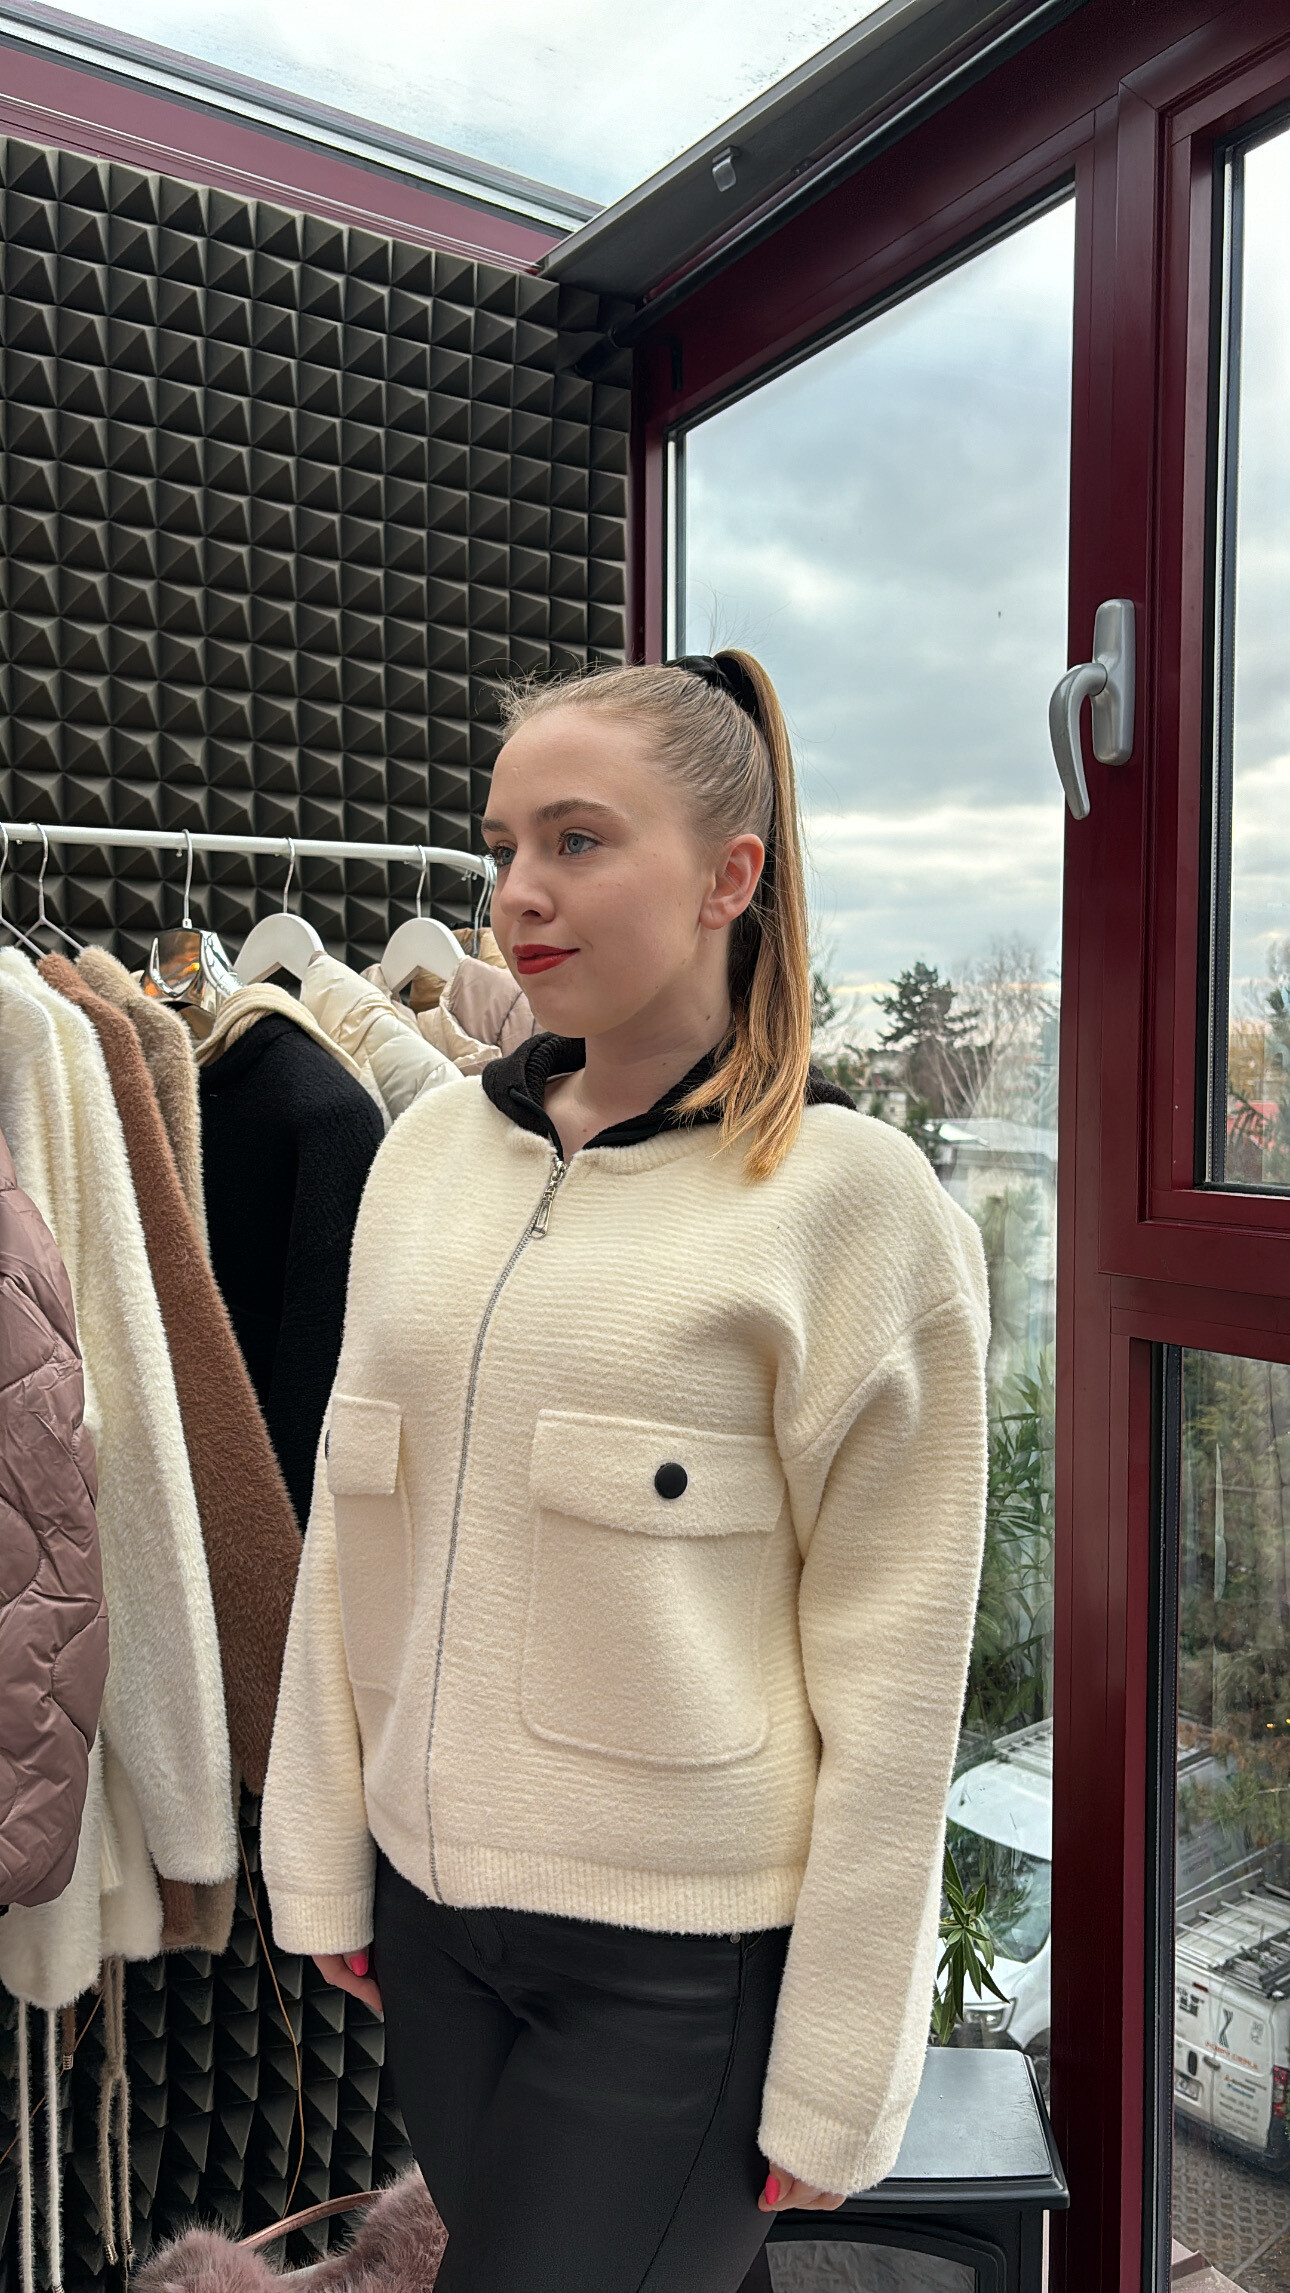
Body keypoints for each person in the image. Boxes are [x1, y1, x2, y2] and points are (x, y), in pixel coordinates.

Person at [261, 650, 991, 2293]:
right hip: (433, 1943)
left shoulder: (855, 1208)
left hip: (679, 1976)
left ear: (731, 874)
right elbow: (350, 1535)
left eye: (577, 840)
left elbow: (893, 1685)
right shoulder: (426, 1157)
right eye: (504, 845)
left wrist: (839, 2059)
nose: (518, 890)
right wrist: (323, 1855)